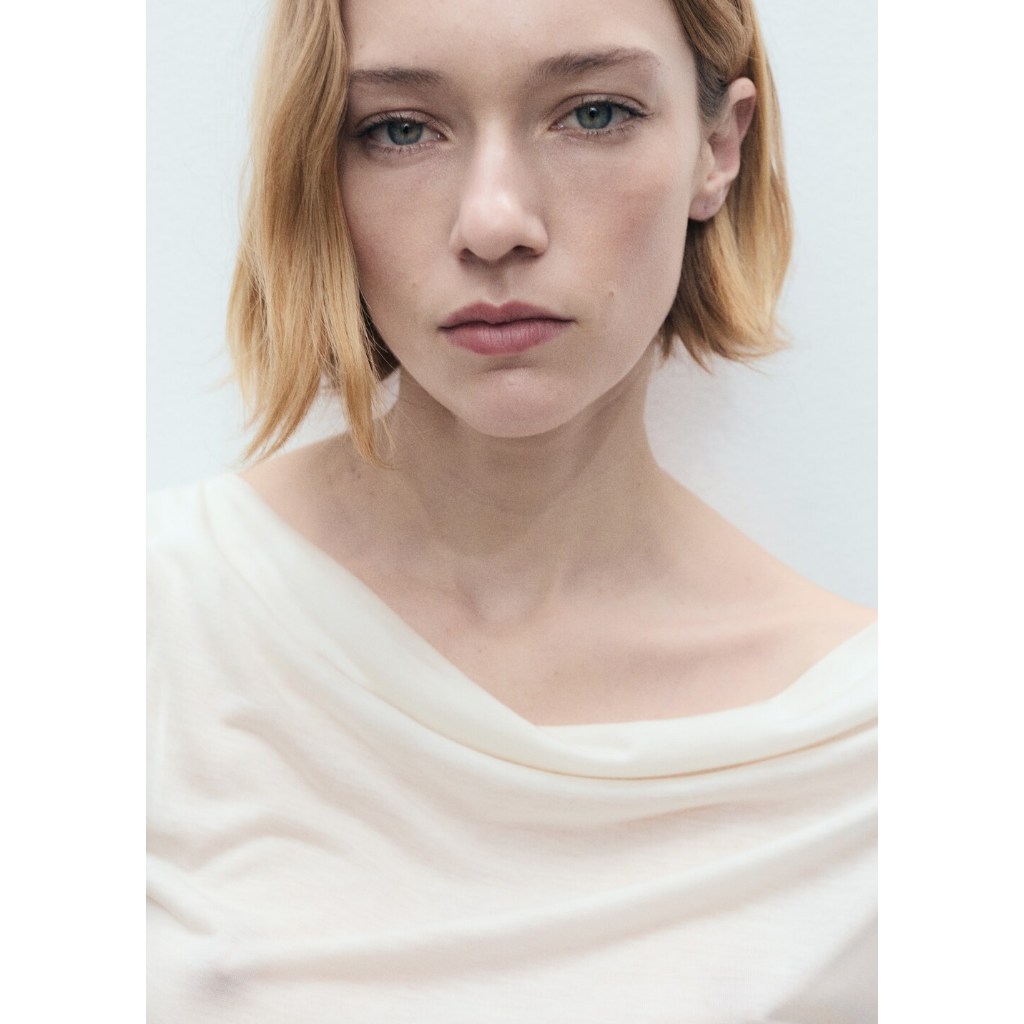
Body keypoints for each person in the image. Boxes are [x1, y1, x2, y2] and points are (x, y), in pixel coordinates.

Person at [148, 0, 877, 1019]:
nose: (493, 222)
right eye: (400, 129)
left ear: (719, 148)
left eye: (594, 113)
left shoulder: (868, 759)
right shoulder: (142, 627)